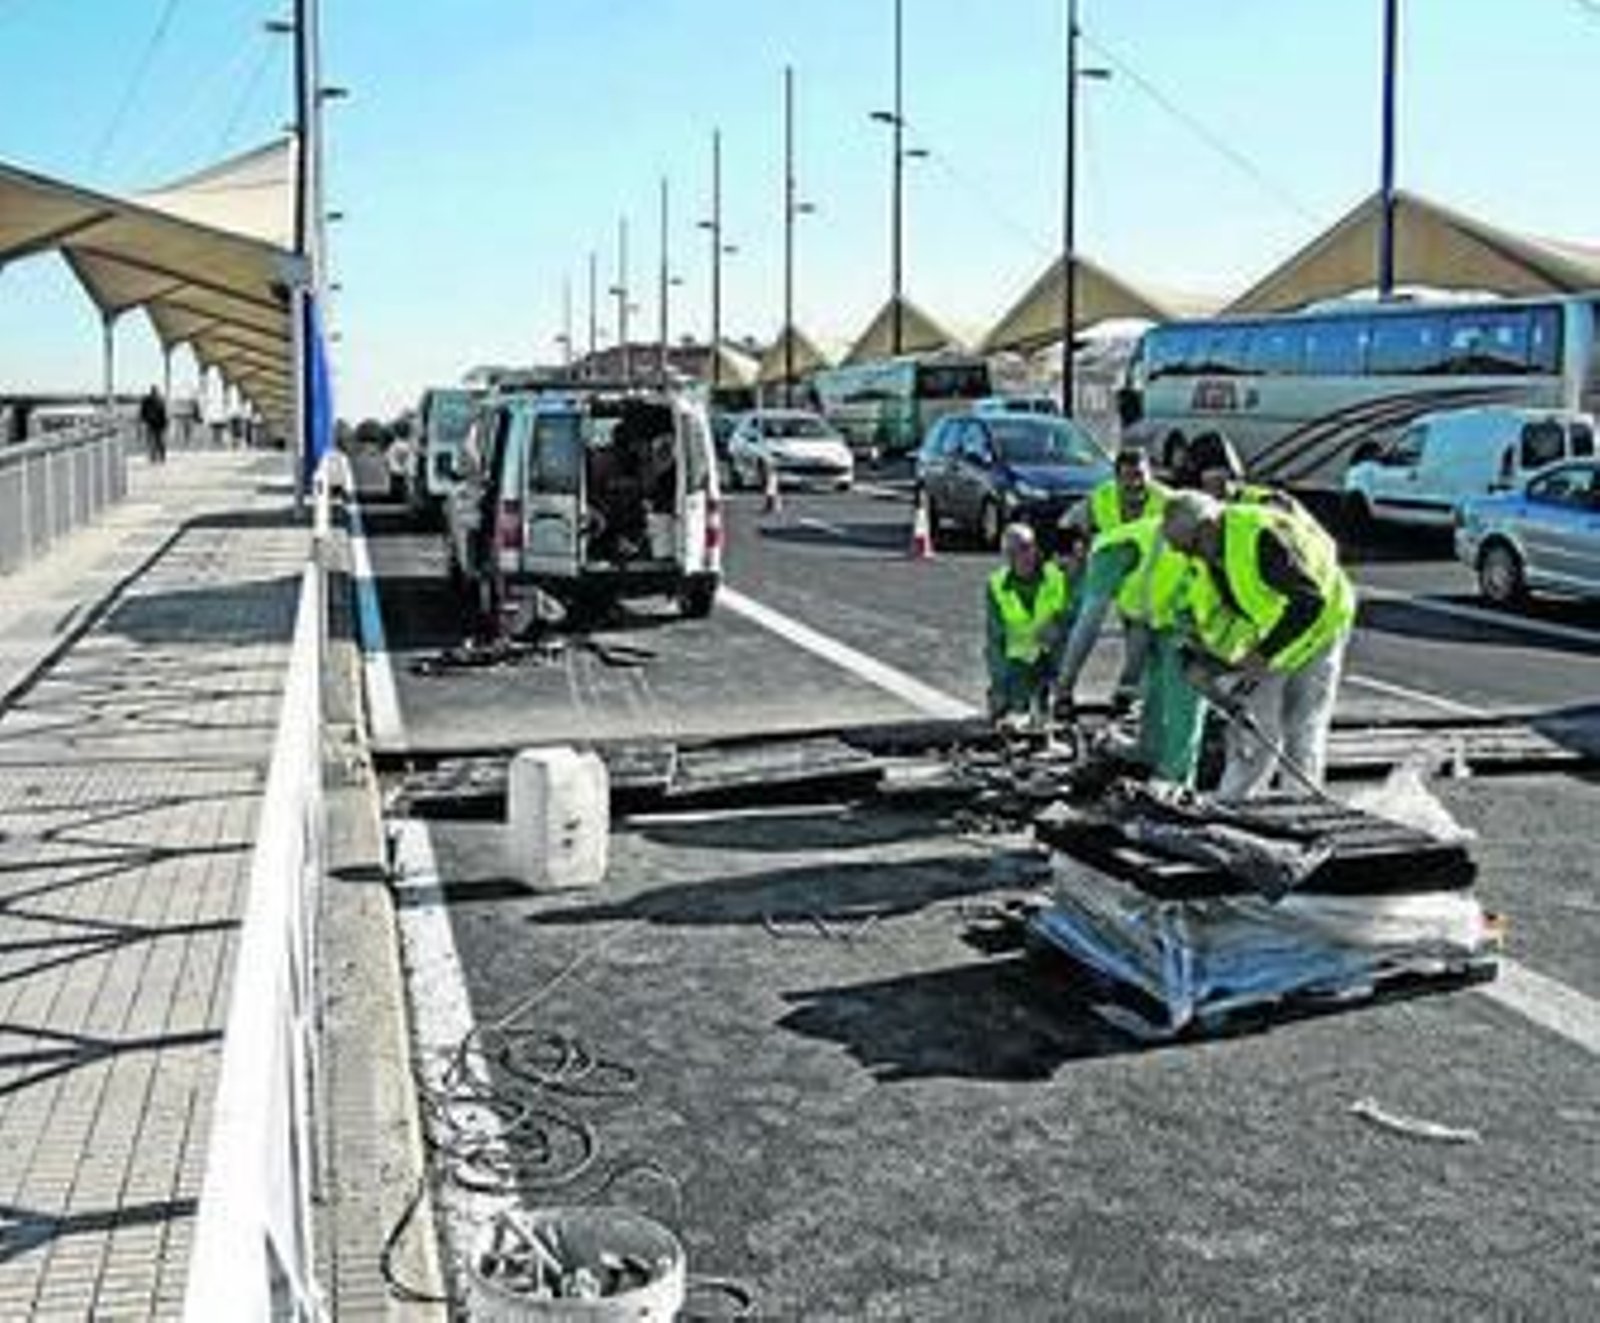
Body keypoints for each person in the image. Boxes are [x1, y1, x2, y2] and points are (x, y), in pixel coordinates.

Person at [1160, 490, 1356, 800]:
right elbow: (1222, 617)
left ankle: (1300, 805)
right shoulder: (1207, 555)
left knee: (1301, 723)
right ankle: (1235, 803)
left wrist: (1262, 654)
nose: (1191, 557)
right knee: (1254, 726)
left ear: (1209, 526)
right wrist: (1207, 662)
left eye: (1192, 547)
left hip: (1322, 622)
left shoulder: (1260, 538)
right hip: (1274, 627)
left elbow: (1309, 602)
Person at [1054, 513, 1210, 784]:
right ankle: (1149, 751)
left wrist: (1064, 686)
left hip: (1195, 611)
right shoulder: (1124, 547)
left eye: (1064, 567)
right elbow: (1137, 624)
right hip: (1163, 618)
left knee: (1181, 700)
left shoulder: (1105, 555)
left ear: (1079, 549)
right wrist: (1127, 684)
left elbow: (1089, 624)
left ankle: (1175, 780)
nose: (1066, 575)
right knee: (1156, 687)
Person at [1064, 447, 1171, 708]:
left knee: (1141, 625)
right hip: (1108, 560)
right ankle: (1064, 687)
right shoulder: (1101, 497)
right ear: (1116, 478)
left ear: (1151, 475)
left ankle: (1127, 689)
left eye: (1140, 476)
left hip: (1146, 569)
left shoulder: (1167, 501)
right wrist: (1075, 547)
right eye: (1128, 477)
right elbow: (1068, 523)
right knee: (1091, 616)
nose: (1135, 484)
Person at [985, 522, 1074, 724]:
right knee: (1016, 714)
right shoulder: (996, 585)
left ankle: (1057, 695)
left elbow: (1074, 611)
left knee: (1055, 713)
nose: (1023, 556)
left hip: (1053, 654)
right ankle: (1009, 698)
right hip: (1019, 661)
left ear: (1035, 548)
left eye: (1026, 548)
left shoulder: (1056, 575)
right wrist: (999, 686)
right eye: (1014, 552)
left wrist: (1058, 622)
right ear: (1007, 556)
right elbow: (995, 640)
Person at [138, 385, 169, 464]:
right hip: (156, 424)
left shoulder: (149, 400)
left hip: (154, 424)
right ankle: (159, 457)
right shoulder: (159, 400)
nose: (154, 393)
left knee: (155, 441)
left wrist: (144, 420)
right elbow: (164, 413)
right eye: (154, 391)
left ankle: (156, 457)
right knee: (157, 441)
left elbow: (143, 412)